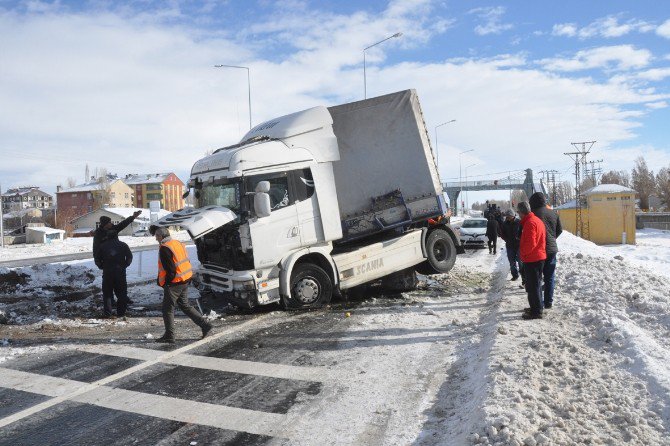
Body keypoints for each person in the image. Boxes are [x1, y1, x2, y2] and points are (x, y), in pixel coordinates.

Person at [154, 227, 212, 343]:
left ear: (162, 236)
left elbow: (170, 270)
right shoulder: (177, 243)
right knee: (185, 305)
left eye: (156, 236)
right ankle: (205, 325)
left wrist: (167, 283)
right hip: (184, 279)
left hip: (174, 283)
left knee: (167, 309)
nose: (155, 238)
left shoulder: (165, 248)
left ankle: (170, 335)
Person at [93, 210, 141, 305]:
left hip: (118, 261)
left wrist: (132, 217)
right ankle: (110, 301)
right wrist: (99, 264)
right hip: (107, 262)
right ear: (105, 224)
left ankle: (123, 298)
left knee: (121, 283)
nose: (111, 224)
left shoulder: (113, 229)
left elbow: (123, 224)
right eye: (109, 222)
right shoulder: (98, 233)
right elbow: (96, 250)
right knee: (108, 284)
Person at [528, 192, 563, 309]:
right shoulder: (553, 213)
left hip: (539, 250)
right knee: (550, 277)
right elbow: (560, 230)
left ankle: (539, 304)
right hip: (552, 249)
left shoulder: (533, 215)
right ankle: (548, 302)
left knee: (537, 277)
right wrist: (552, 239)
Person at [517, 201, 546, 320]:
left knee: (533, 286)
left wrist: (522, 254)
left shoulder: (530, 223)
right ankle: (537, 307)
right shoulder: (536, 220)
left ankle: (536, 311)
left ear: (521, 212)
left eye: (518, 212)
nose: (518, 214)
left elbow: (530, 244)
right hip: (538, 257)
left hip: (532, 259)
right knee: (536, 285)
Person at [95, 230, 133, 318]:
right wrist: (125, 265)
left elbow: (97, 259)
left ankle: (108, 313)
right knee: (122, 293)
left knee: (107, 293)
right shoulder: (123, 245)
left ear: (108, 236)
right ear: (116, 236)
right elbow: (130, 257)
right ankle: (121, 313)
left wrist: (101, 266)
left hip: (107, 273)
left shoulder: (102, 246)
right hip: (120, 273)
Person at [499, 209, 522, 281]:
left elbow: (522, 232)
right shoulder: (505, 223)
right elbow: (502, 233)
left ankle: (524, 277)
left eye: (509, 216)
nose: (507, 218)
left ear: (513, 216)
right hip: (509, 245)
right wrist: (506, 239)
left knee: (520, 261)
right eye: (507, 217)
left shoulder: (519, 222)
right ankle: (515, 275)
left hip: (519, 245)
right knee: (512, 261)